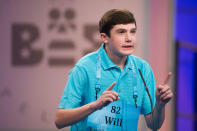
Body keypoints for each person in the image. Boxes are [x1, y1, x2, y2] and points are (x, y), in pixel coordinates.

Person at [55, 9, 173, 131]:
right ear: (104, 37)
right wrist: (95, 106)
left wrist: (160, 104)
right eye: (121, 32)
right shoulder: (84, 67)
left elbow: (154, 125)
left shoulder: (143, 69)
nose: (129, 38)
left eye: (132, 32)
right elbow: (59, 120)